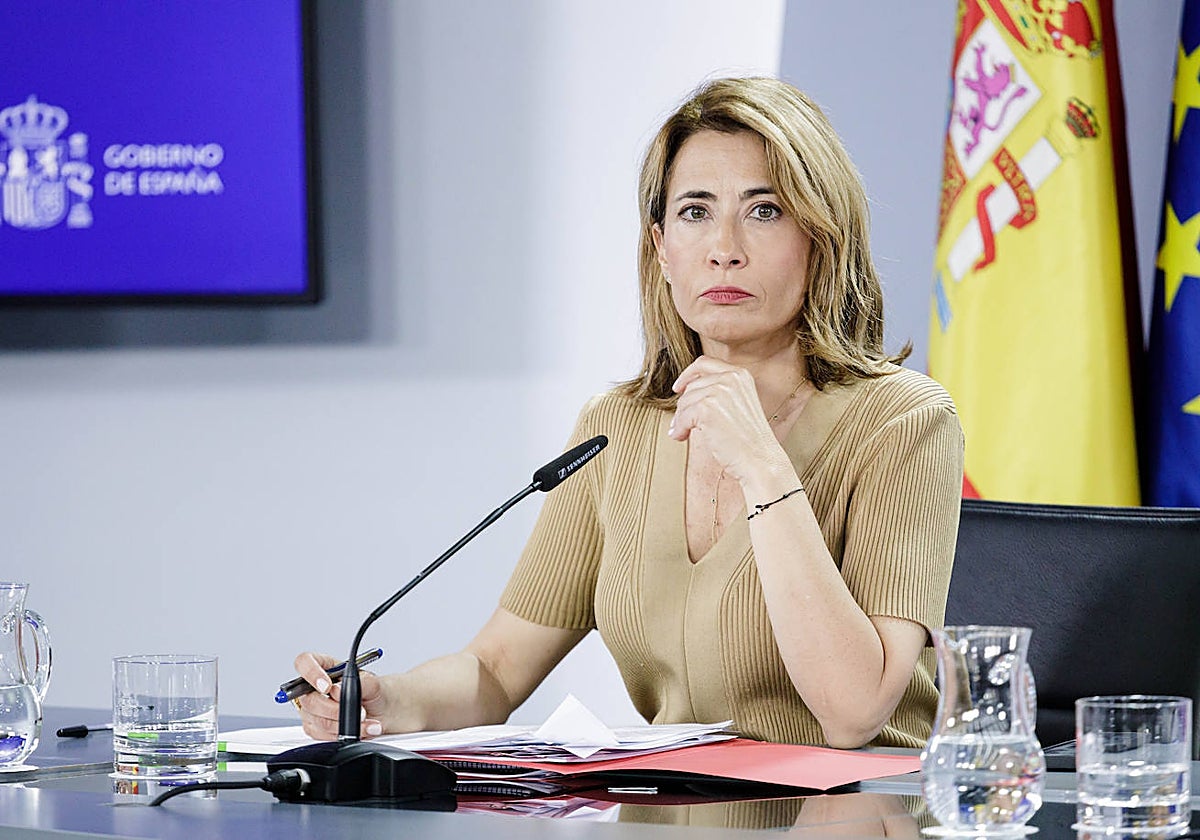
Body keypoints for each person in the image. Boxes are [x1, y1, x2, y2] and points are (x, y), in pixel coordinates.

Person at [294, 76, 963, 749]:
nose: (724, 247)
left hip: (856, 802)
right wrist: (386, 700)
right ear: (661, 247)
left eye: (765, 211)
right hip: (666, 802)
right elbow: (495, 670)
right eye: (695, 212)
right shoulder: (614, 430)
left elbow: (855, 713)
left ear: (822, 236)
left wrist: (762, 464)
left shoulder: (903, 421)